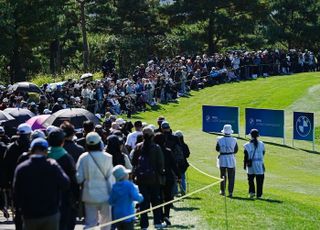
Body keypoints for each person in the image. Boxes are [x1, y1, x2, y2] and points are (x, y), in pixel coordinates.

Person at [13, 138, 70, 230]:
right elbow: (65, 183)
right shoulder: (52, 165)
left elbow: (16, 191)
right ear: (46, 151)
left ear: (31, 150)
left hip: (29, 213)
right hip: (50, 212)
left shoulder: (21, 168)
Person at [76, 132, 114, 230]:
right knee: (106, 223)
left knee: (90, 223)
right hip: (106, 194)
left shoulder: (83, 157)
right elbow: (111, 178)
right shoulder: (108, 157)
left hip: (89, 195)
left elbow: (79, 178)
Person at [131, 127, 166, 230]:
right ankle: (157, 223)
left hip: (141, 179)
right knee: (156, 201)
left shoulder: (138, 147)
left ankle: (144, 225)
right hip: (154, 179)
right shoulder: (156, 147)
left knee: (143, 203)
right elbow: (161, 164)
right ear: (152, 136)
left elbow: (133, 162)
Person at [47, 129, 78, 230]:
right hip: (64, 199)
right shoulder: (67, 158)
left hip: (46, 198)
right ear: (62, 142)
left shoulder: (44, 156)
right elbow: (73, 180)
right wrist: (76, 198)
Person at [153, 132, 181, 226]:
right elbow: (174, 165)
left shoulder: (153, 151)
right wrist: (179, 175)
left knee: (159, 198)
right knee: (168, 197)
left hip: (157, 177)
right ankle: (166, 215)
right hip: (168, 177)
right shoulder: (168, 151)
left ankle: (160, 216)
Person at [108, 165, 144, 230]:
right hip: (128, 215)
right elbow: (136, 197)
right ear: (124, 175)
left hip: (117, 215)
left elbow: (110, 201)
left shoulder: (114, 187)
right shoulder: (129, 185)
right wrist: (141, 196)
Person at [216, 124, 238, 197]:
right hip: (230, 158)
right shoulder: (234, 140)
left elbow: (217, 149)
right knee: (231, 176)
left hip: (222, 158)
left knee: (222, 175)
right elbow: (236, 150)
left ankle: (222, 190)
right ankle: (230, 192)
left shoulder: (219, 139)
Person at [243, 129, 265, 199]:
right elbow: (263, 153)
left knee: (250, 179)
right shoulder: (261, 144)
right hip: (259, 163)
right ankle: (259, 195)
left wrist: (244, 165)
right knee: (260, 180)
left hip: (251, 164)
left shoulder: (247, 145)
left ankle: (252, 193)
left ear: (251, 136)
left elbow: (245, 156)